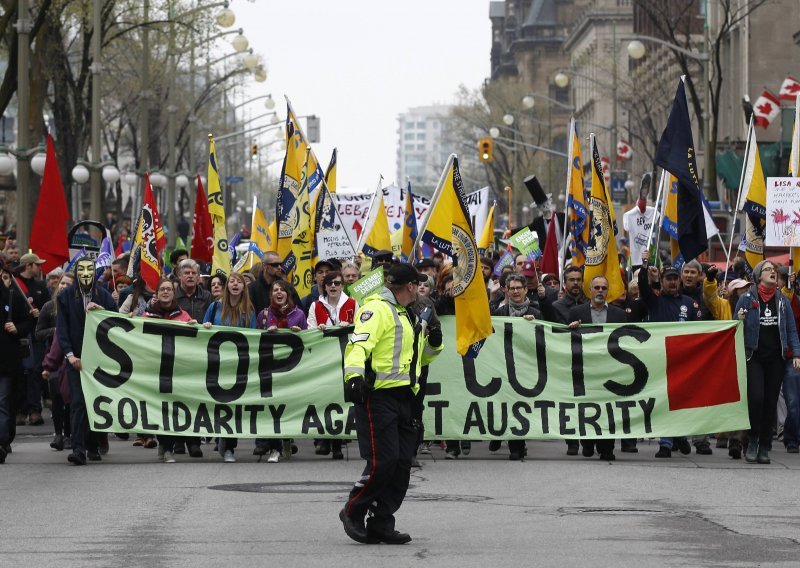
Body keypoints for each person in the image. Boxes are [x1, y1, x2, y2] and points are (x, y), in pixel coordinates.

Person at [339, 263, 442, 545]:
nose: (418, 289)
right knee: (383, 462)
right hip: (379, 397)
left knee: (401, 465)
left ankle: (382, 522)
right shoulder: (377, 310)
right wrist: (354, 378)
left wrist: (434, 344)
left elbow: (418, 360)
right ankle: (353, 509)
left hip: (407, 397)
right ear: (409, 287)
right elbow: (357, 346)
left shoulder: (407, 314)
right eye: (416, 285)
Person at [735, 260, 800, 464]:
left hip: (776, 360)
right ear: (758, 276)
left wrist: (796, 353)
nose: (773, 272)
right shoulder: (746, 298)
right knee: (756, 399)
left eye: (774, 270)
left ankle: (764, 446)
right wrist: (739, 318)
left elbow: (790, 329)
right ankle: (752, 440)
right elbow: (733, 325)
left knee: (771, 403)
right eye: (768, 270)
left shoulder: (783, 302)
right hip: (754, 357)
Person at [57, 256, 117, 465]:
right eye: (81, 269)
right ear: (75, 272)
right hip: (76, 359)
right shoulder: (65, 296)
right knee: (78, 403)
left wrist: (101, 310)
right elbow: (62, 328)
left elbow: (116, 320)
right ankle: (78, 448)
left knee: (96, 402)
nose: (85, 274)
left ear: (95, 272)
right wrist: (70, 355)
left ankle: (93, 444)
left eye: (89, 269)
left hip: (98, 360)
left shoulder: (103, 294)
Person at [639, 261, 701, 458]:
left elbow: (701, 331)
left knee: (678, 401)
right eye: (669, 279)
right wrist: (644, 267)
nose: (672, 282)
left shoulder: (690, 304)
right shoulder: (655, 301)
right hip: (659, 359)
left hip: (683, 361)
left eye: (675, 279)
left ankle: (679, 435)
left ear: (680, 280)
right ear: (662, 281)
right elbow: (642, 287)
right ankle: (666, 443)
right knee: (663, 400)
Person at [567, 275, 627, 461]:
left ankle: (606, 448)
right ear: (590, 290)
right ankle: (587, 442)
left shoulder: (619, 314)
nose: (600, 291)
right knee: (587, 407)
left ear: (608, 291)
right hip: (585, 369)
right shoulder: (576, 312)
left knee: (609, 409)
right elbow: (564, 337)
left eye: (603, 288)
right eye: (597, 287)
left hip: (610, 370)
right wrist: (571, 328)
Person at [202, 271, 256, 463]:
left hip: (238, 366)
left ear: (244, 287)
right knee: (219, 405)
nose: (234, 284)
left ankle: (229, 447)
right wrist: (206, 326)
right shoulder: (215, 307)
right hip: (217, 365)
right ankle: (221, 438)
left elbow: (255, 338)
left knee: (232, 407)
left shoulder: (248, 311)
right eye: (231, 281)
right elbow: (202, 330)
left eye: (239, 282)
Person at [141, 277, 196, 463]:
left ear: (174, 294)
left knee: (172, 410)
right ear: (156, 294)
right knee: (159, 409)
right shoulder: (146, 316)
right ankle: (164, 446)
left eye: (169, 290)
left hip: (177, 372)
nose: (165, 292)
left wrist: (198, 327)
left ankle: (167, 447)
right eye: (162, 289)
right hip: (155, 371)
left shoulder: (183, 316)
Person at [253, 279, 308, 462]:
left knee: (285, 406)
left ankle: (286, 438)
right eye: (275, 290)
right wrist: (266, 332)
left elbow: (308, 340)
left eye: (282, 290)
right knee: (270, 406)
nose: (278, 293)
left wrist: (298, 332)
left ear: (288, 294)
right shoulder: (263, 314)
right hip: (269, 366)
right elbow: (254, 339)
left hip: (291, 368)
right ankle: (274, 447)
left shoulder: (298, 314)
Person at [489, 273, 540, 461]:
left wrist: (532, 324)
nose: (516, 291)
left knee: (521, 406)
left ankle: (518, 445)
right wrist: (491, 299)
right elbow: (489, 328)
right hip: (504, 364)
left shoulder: (536, 311)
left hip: (526, 366)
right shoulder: (500, 313)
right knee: (506, 403)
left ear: (526, 290)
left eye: (519, 288)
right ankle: (509, 441)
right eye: (512, 288)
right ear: (506, 290)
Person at [306, 271, 357, 460]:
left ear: (342, 286)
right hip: (323, 359)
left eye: (337, 283)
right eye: (330, 283)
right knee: (323, 398)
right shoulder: (315, 305)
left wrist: (349, 326)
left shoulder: (352, 304)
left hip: (344, 357)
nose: (333, 286)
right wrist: (318, 330)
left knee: (341, 399)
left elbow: (359, 327)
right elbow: (309, 329)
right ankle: (324, 439)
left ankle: (338, 444)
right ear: (325, 286)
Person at [0, 260, 35, 464]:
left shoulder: (11, 294)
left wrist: (18, 328)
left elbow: (29, 320)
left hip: (5, 358)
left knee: (3, 402)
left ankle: (2, 441)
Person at [37, 272, 75, 451]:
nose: (64, 287)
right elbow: (38, 333)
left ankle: (69, 434)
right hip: (52, 358)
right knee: (57, 396)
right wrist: (55, 331)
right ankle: (58, 433)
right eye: (62, 283)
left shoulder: (75, 307)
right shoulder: (49, 307)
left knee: (68, 397)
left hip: (70, 358)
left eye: (68, 284)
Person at [14, 252, 50, 427]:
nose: (40, 267)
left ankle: (35, 410)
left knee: (36, 372)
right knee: (20, 373)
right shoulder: (13, 285)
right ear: (28, 266)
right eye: (37, 265)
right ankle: (20, 410)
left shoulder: (41, 287)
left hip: (36, 336)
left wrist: (40, 313)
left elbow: (50, 308)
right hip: (19, 336)